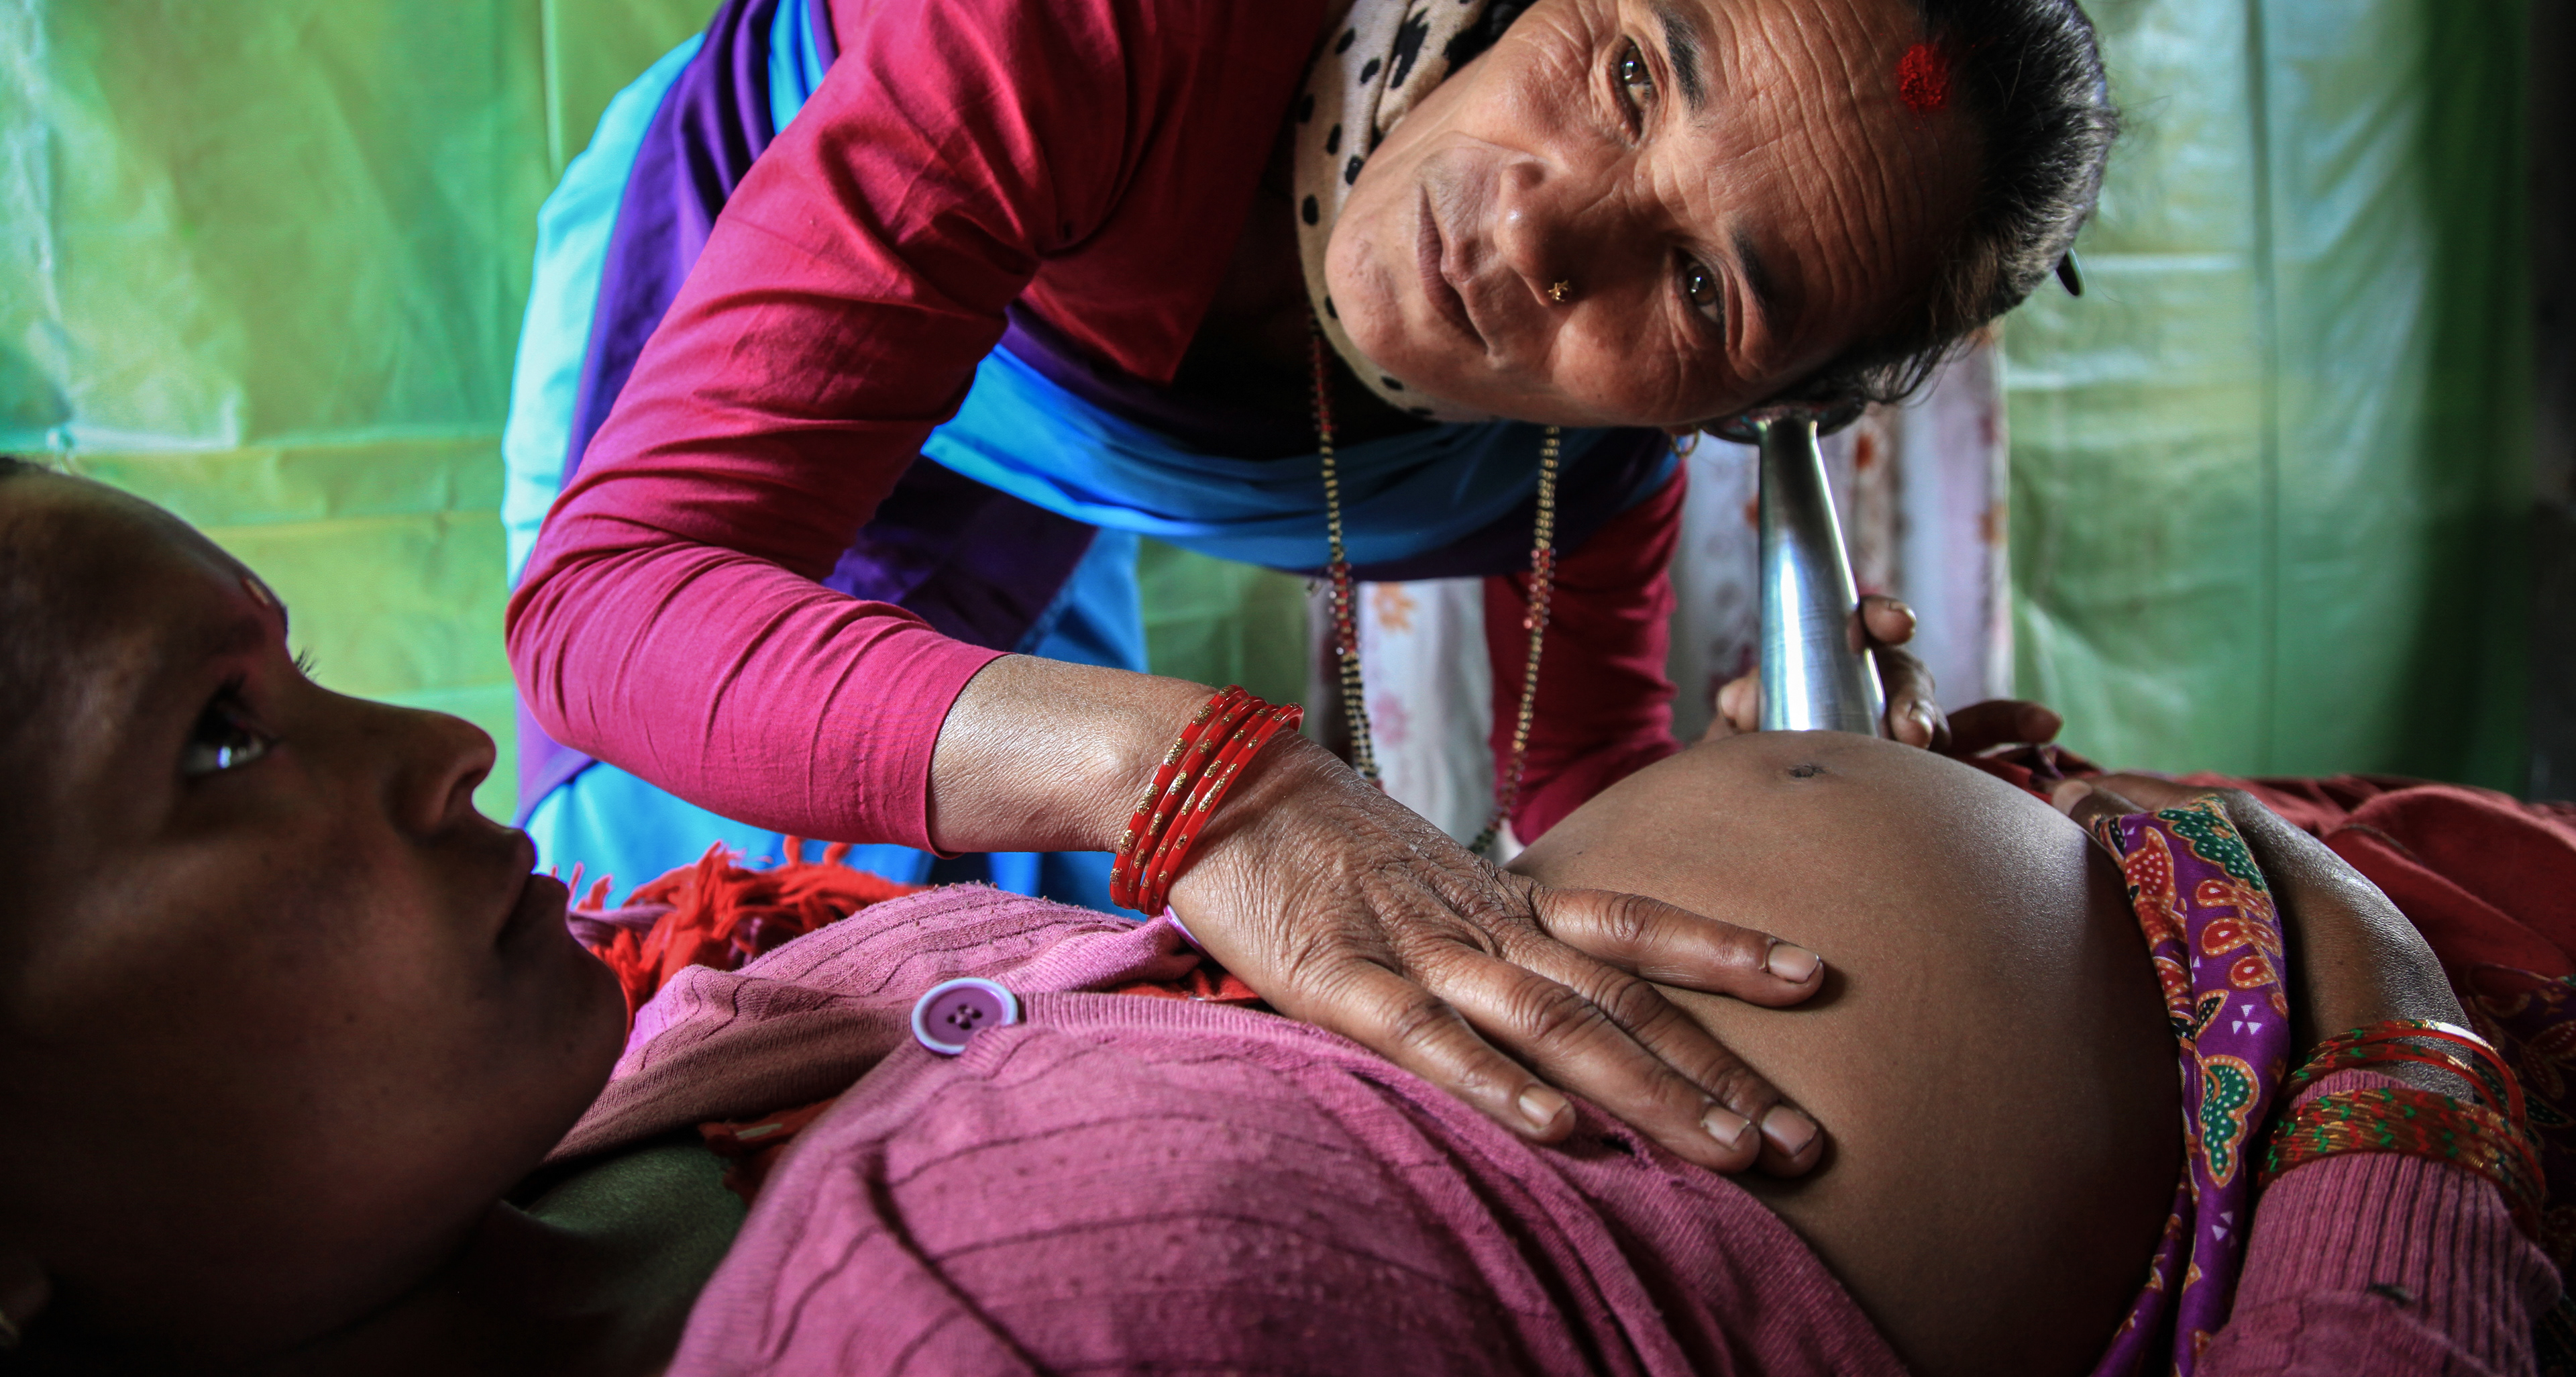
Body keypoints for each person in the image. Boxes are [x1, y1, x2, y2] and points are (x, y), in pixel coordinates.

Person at [2, 464, 2554, 1374]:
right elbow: (619, 598)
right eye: (213, 741)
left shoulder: (660, 1054)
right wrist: (2385, 1105)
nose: (436, 745)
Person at [502, 0, 2100, 1163]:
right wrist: (1208, 781)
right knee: (700, 940)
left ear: (1757, 413)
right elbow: (614, 602)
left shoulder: (1595, 470)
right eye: (1629, 75)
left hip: (1047, 460)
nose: (1548, 229)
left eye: (1701, 290)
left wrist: (1777, 802)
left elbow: (1585, 807)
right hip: (748, 291)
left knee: (1043, 971)